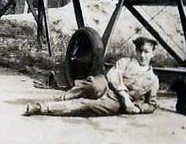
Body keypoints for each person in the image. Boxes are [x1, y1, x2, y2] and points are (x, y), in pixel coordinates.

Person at [24, 35, 159, 117]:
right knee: (93, 84)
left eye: (146, 52)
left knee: (85, 105)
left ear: (153, 53)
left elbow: (151, 105)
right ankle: (63, 97)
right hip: (106, 86)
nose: (142, 55)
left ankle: (42, 108)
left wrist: (138, 108)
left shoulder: (153, 80)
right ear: (136, 51)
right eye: (140, 51)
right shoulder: (125, 62)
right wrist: (125, 96)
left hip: (116, 102)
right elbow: (113, 75)